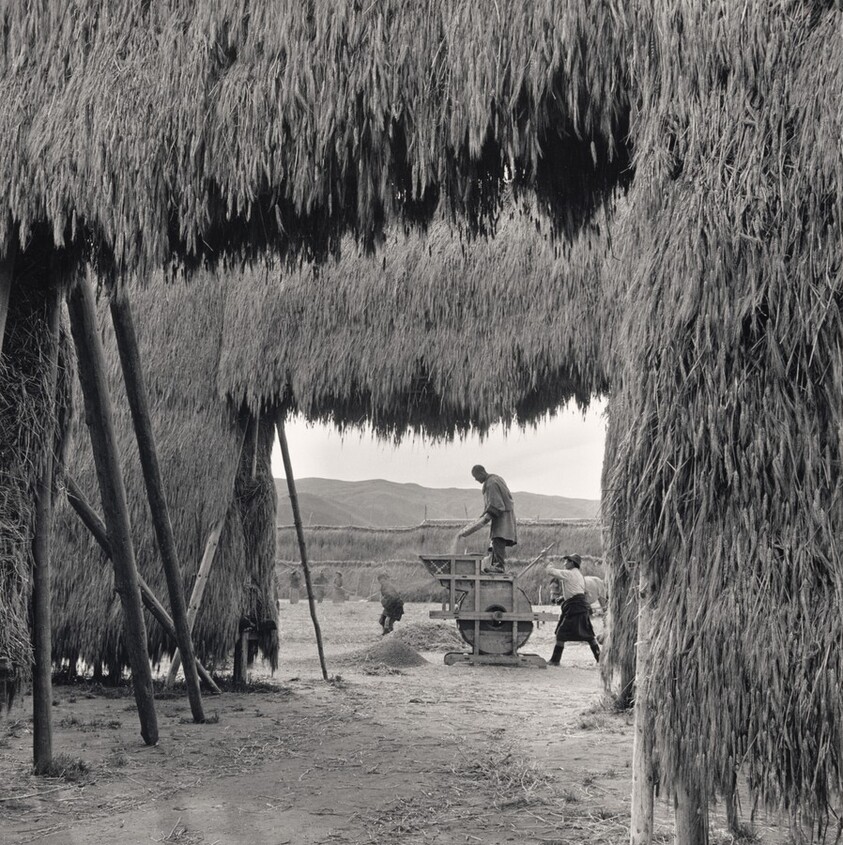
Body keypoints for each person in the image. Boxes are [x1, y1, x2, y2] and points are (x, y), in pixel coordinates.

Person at [457, 465, 517, 574]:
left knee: (498, 538)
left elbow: (497, 505)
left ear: (481, 473)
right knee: (497, 540)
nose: (476, 480)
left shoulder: (491, 483)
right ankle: (496, 565)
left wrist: (485, 518)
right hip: (505, 515)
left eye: (475, 477)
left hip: (502, 516)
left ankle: (499, 566)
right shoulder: (496, 479)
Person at [545, 553, 600, 665]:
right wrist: (563, 598)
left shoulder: (569, 574)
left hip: (574, 607)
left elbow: (551, 571)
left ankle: (555, 660)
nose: (564, 563)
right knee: (589, 635)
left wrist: (547, 561)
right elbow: (577, 591)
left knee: (561, 633)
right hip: (579, 606)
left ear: (572, 563)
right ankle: (601, 659)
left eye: (567, 561)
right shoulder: (579, 575)